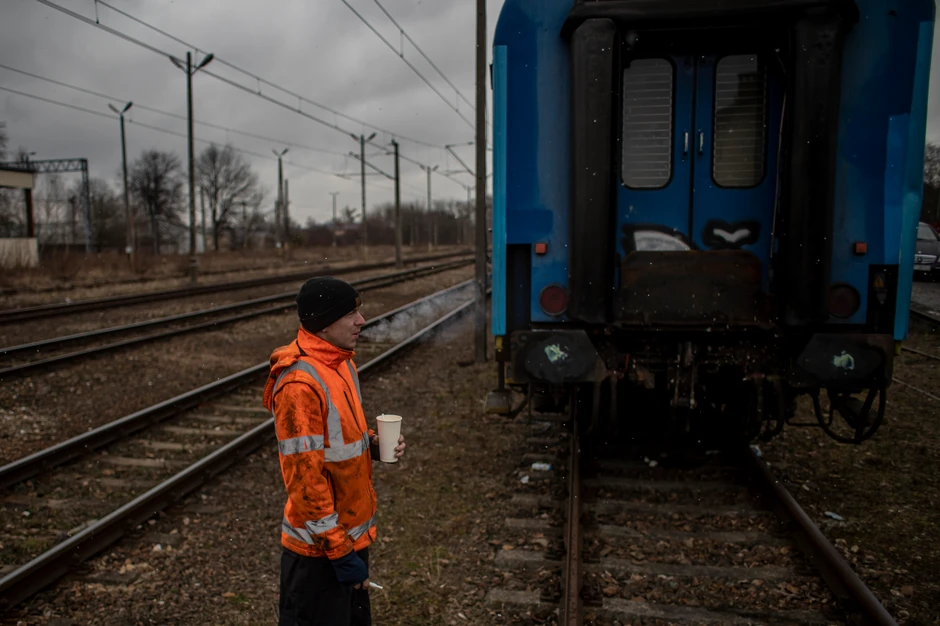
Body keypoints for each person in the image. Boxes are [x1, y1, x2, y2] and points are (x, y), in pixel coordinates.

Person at [263, 276, 406, 626]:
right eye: (351, 314)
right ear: (325, 323)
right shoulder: (300, 385)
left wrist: (371, 443)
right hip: (319, 552)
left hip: (347, 539)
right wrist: (340, 553)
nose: (361, 321)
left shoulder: (341, 364)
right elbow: (305, 482)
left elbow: (339, 437)